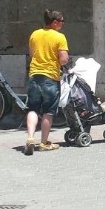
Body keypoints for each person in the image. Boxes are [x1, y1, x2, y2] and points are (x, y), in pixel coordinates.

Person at [24, 9, 69, 156]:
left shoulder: (34, 34)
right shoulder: (60, 37)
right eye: (62, 21)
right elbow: (63, 59)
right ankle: (43, 142)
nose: (63, 24)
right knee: (48, 111)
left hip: (34, 76)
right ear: (55, 22)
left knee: (32, 108)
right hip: (50, 78)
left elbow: (32, 54)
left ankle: (30, 138)